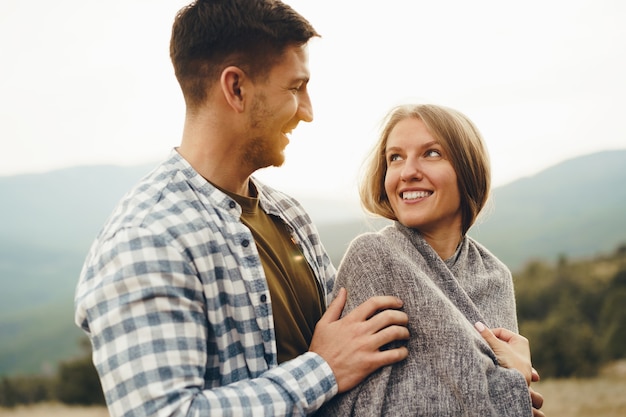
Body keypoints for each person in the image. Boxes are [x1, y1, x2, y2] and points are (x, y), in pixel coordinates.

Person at [73, 1, 410, 416]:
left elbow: (358, 353)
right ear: (235, 88)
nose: (308, 111)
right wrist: (322, 369)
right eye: (295, 88)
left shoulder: (290, 215)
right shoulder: (147, 238)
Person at [315, 104, 545, 416]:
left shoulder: (494, 277)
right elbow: (361, 408)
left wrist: (506, 389)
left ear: (467, 169)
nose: (407, 172)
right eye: (395, 157)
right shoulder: (374, 259)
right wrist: (514, 381)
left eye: (431, 153)